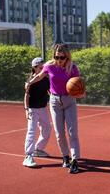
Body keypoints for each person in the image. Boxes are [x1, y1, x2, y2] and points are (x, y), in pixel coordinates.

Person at [25, 44, 85, 174]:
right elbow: (39, 76)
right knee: (59, 133)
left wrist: (81, 93)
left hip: (69, 100)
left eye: (62, 57)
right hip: (54, 101)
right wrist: (29, 82)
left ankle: (75, 160)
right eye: (56, 57)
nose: (59, 60)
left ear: (67, 56)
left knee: (72, 132)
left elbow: (79, 86)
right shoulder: (49, 66)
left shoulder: (72, 68)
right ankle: (65, 157)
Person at [23, 57, 52, 167]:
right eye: (40, 66)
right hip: (33, 109)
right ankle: (28, 156)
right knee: (31, 131)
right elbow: (26, 96)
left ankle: (38, 149)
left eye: (43, 65)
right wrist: (26, 109)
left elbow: (49, 91)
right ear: (34, 68)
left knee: (47, 129)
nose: (43, 67)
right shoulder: (31, 80)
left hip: (43, 108)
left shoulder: (45, 79)